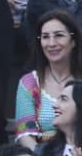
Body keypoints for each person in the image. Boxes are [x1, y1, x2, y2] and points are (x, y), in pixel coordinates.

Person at [15, 10, 82, 149]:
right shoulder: (30, 83)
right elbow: (25, 134)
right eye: (45, 37)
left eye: (59, 35)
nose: (51, 43)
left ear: (73, 41)